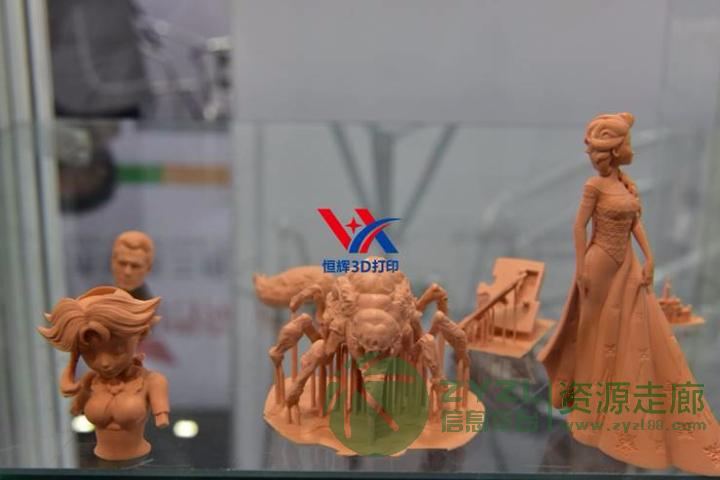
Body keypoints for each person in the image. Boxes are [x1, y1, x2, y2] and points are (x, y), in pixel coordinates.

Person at [538, 112, 720, 475]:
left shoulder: (626, 185)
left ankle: (617, 410)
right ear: (614, 149)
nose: (631, 148)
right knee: (592, 335)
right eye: (627, 143)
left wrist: (649, 258)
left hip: (627, 266)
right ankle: (585, 402)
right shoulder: (594, 187)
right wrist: (580, 267)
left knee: (626, 336)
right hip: (598, 264)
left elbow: (636, 225)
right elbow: (579, 226)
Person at [38, 286, 169, 460]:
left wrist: (161, 415)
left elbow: (162, 417)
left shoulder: (152, 381)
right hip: (99, 457)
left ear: (141, 334)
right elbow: (74, 409)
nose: (105, 363)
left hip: (139, 457)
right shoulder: (90, 381)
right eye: (90, 354)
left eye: (117, 351)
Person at [111, 231, 154, 300]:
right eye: (122, 264)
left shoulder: (153, 306)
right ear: (113, 262)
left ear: (148, 268)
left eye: (135, 266)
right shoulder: (97, 299)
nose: (127, 272)